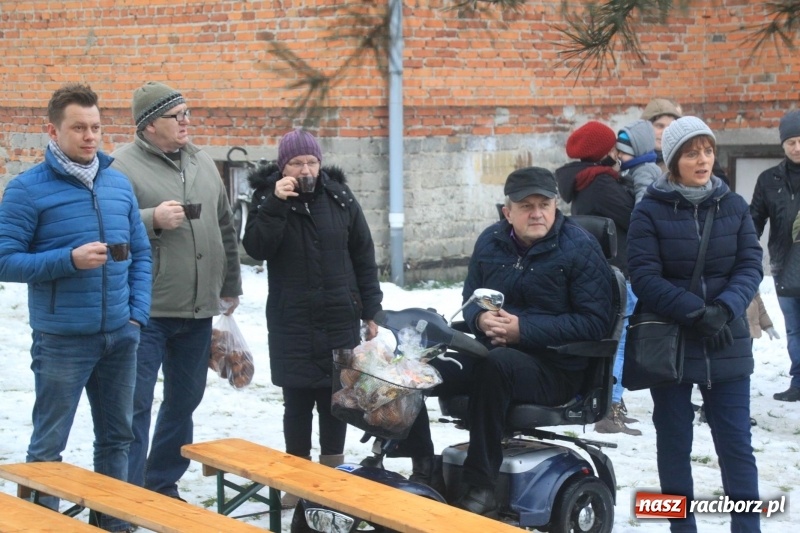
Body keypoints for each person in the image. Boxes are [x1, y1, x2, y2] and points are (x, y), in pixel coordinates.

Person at [397, 167, 615, 515]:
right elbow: (471, 302)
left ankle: (481, 486)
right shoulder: (490, 241)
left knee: (496, 366)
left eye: (544, 204)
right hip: (493, 352)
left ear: (556, 205)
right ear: (507, 212)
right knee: (414, 366)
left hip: (557, 367)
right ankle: (425, 471)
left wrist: (523, 329)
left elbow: (595, 323)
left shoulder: (579, 247)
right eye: (526, 205)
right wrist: (480, 318)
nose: (537, 213)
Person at [0, 83, 151, 532]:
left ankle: (113, 525)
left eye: (97, 127)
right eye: (79, 128)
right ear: (53, 130)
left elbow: (141, 253)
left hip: (120, 336)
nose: (90, 137)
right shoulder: (27, 190)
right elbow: (5, 260)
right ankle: (42, 525)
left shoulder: (118, 183)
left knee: (117, 439)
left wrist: (135, 315)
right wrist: (68, 260)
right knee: (49, 444)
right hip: (62, 339)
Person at [628, 116, 763, 532]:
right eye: (691, 153)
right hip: (672, 342)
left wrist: (723, 308)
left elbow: (750, 264)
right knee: (673, 444)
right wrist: (695, 312)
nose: (702, 160)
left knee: (737, 445)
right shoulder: (649, 210)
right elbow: (644, 276)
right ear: (673, 160)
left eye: (707, 151)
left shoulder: (733, 205)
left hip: (728, 339)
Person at [110, 81, 243, 500]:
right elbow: (109, 234)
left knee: (185, 400)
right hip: (147, 310)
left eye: (188, 113)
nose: (186, 121)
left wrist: (230, 285)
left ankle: (161, 481)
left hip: (199, 308)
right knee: (135, 404)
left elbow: (224, 226)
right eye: (176, 115)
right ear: (150, 125)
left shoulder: (202, 161)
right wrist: (150, 219)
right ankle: (128, 493)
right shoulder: (120, 168)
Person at [242, 129, 383, 506]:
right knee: (297, 401)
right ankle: (297, 481)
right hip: (293, 319)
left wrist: (372, 310)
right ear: (282, 166)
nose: (306, 170)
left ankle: (330, 480)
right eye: (297, 163)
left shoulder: (339, 197)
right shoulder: (267, 199)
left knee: (335, 400)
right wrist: (275, 203)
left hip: (339, 314)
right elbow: (256, 248)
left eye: (312, 162)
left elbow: (363, 256)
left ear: (320, 163)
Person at [555, 121, 641, 435]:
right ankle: (610, 409)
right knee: (617, 341)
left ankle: (610, 405)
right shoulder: (601, 184)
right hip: (617, 272)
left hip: (604, 271)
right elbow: (635, 216)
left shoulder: (584, 181)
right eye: (613, 147)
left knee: (614, 339)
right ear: (603, 151)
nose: (618, 154)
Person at [750, 109, 800, 401]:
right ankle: (798, 382)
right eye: (791, 141)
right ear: (782, 144)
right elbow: (754, 220)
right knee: (795, 330)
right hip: (784, 267)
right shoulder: (769, 180)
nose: (797, 147)